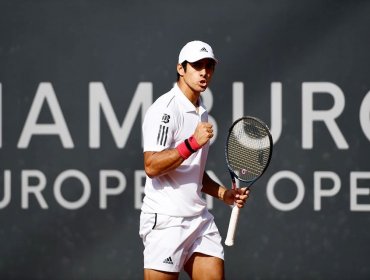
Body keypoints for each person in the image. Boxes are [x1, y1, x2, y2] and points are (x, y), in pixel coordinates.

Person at [139, 40, 250, 280]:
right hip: (167, 221)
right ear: (181, 69)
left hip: (198, 221)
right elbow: (151, 165)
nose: (204, 72)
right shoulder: (165, 110)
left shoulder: (201, 110)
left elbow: (193, 172)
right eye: (197, 65)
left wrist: (223, 194)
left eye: (209, 66)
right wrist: (191, 143)